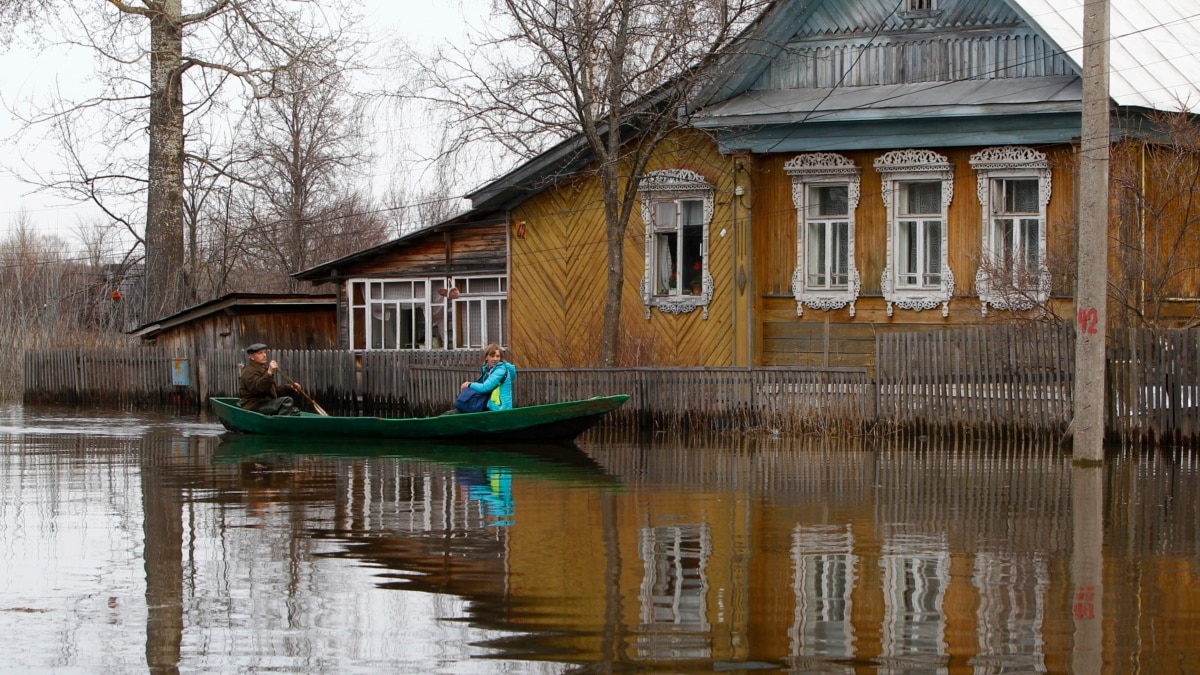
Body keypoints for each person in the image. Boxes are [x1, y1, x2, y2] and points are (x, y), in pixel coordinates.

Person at [238, 343, 303, 415]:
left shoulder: (262, 370)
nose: (264, 355)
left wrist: (290, 387)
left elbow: (275, 391)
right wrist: (269, 373)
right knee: (287, 401)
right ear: (252, 357)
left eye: (264, 352)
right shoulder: (248, 371)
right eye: (260, 353)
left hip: (265, 404)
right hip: (254, 406)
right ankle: (278, 425)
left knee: (295, 412)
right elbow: (258, 389)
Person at [456, 343, 516, 412]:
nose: (495, 359)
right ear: (486, 357)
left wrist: (469, 384)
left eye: (497, 356)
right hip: (493, 405)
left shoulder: (500, 370)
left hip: (500, 408)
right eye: (492, 356)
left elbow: (485, 388)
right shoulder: (488, 369)